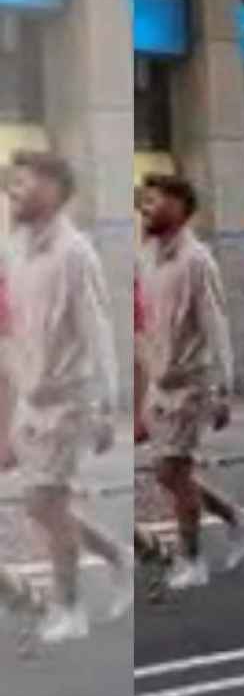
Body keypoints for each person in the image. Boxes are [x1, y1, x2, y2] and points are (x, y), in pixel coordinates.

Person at [0, 153, 130, 642]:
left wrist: (104, 407)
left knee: (42, 500)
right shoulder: (15, 249)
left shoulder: (76, 253)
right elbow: (11, 331)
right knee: (42, 507)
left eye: (24, 182)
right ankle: (117, 554)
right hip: (32, 398)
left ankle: (69, 607)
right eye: (11, 183)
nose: (13, 190)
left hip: (69, 399)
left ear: (54, 188)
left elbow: (98, 331)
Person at [136, 175, 244, 592]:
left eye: (154, 200)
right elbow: (147, 325)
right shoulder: (148, 255)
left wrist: (223, 390)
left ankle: (192, 559)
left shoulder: (197, 260)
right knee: (168, 474)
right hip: (160, 382)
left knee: (173, 469)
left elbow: (216, 325)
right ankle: (236, 517)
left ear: (179, 206)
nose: (145, 206)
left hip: (192, 382)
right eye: (144, 199)